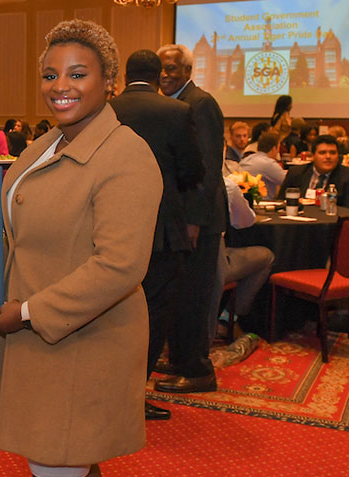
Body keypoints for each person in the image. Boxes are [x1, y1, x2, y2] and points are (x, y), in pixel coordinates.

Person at [0, 20, 161, 477]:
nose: (60, 86)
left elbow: (120, 266)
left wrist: (27, 311)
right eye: (50, 74)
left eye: (78, 73)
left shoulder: (125, 155)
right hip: (40, 332)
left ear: (109, 82)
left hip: (82, 338)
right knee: (71, 465)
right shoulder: (45, 146)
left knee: (56, 476)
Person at [109, 49, 203, 421]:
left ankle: (106, 389)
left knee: (111, 312)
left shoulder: (107, 110)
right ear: (157, 74)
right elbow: (193, 170)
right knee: (153, 313)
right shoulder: (177, 112)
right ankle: (134, 397)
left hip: (110, 224)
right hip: (162, 229)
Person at [153, 43, 227, 395]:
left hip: (200, 221)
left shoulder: (202, 103)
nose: (165, 75)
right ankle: (182, 359)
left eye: (172, 69)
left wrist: (195, 221)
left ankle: (199, 370)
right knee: (178, 294)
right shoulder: (172, 106)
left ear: (188, 72)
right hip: (181, 219)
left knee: (195, 296)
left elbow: (208, 170)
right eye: (161, 69)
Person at [208, 179, 274, 341]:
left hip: (176, 263)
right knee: (266, 256)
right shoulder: (228, 186)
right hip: (214, 263)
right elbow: (244, 222)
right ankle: (229, 318)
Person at [277, 134, 349, 204]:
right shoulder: (296, 173)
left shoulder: (346, 177)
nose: (328, 156)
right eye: (322, 153)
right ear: (313, 156)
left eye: (332, 153)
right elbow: (280, 202)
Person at [239, 131, 286, 199]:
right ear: (274, 149)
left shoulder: (245, 160)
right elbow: (288, 182)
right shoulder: (269, 164)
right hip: (262, 204)